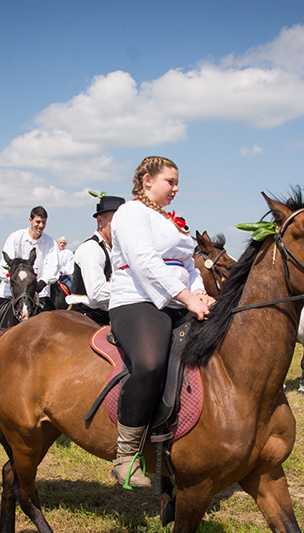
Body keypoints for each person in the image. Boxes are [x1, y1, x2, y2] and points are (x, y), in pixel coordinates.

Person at [108, 156, 212, 488]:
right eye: (171, 181)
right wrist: (187, 298)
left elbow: (190, 264)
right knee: (151, 363)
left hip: (178, 298)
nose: (176, 188)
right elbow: (144, 262)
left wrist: (201, 293)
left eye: (177, 182)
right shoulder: (130, 213)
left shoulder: (171, 221)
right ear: (148, 180)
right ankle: (126, 457)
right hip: (137, 300)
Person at [0, 206, 59, 329]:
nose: (40, 226)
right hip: (11, 291)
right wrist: (18, 283)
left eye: (43, 222)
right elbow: (4, 268)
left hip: (38, 292)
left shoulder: (50, 242)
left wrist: (42, 282)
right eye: (37, 222)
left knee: (56, 324)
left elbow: (53, 267)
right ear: (30, 220)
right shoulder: (15, 237)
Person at [65, 195, 124, 326]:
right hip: (87, 319)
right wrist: (129, 287)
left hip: (106, 316)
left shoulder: (115, 250)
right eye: (114, 221)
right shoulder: (91, 248)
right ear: (100, 221)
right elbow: (97, 294)